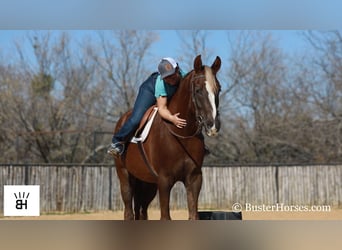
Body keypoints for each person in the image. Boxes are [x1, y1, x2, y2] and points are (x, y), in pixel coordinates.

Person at [107, 57, 187, 157]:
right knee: (136, 119)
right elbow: (162, 108)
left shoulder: (185, 78)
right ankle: (117, 141)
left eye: (171, 76)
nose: (170, 80)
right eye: (166, 77)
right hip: (150, 90)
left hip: (170, 94)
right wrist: (172, 118)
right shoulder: (160, 84)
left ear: (177, 70)